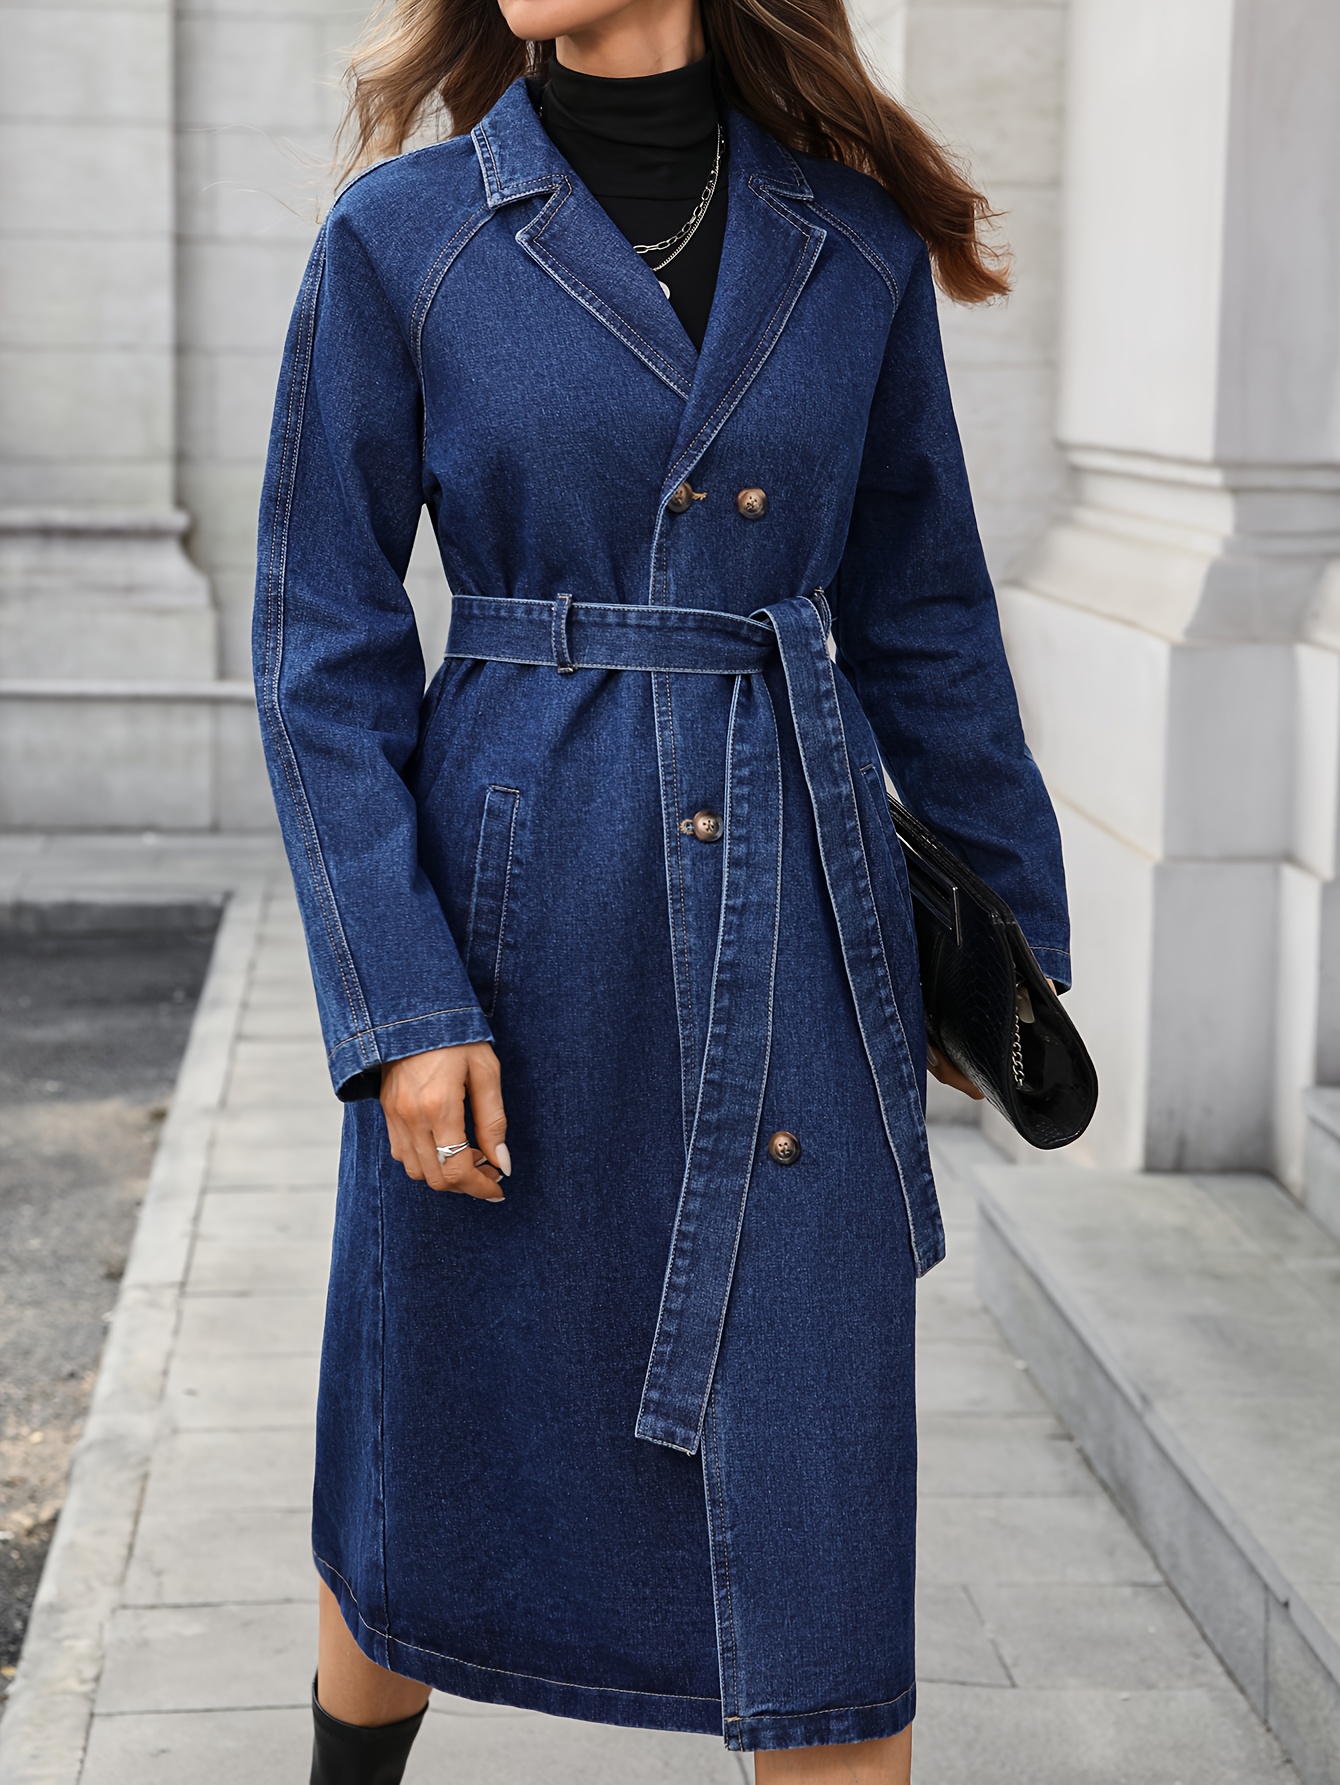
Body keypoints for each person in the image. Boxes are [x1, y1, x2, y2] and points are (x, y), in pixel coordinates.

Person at [253, 0, 1070, 1775]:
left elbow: (927, 607)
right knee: (425, 1456)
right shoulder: (403, 237)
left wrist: (1008, 941)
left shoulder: (849, 242)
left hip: (798, 919)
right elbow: (322, 645)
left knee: (824, 1509)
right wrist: (401, 1004)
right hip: (515, 917)